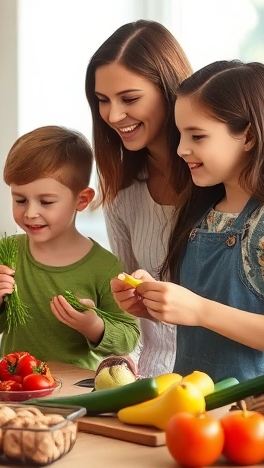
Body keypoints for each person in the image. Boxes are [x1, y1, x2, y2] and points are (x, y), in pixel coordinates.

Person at [112, 60, 264, 381]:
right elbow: (200, 319)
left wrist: (200, 311)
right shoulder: (201, 212)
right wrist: (152, 301)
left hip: (256, 417)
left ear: (248, 136)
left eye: (197, 136)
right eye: (181, 135)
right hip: (194, 409)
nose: (182, 149)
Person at [0, 126, 139, 371]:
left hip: (78, 393)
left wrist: (94, 326)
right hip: (17, 387)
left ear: (81, 200)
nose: (30, 212)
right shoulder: (6, 252)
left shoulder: (105, 267)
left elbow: (130, 336)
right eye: (20, 200)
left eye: (46, 202)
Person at [86, 20, 193, 378]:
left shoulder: (219, 182)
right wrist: (121, 361)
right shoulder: (123, 194)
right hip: (151, 382)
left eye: (129, 99)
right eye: (103, 101)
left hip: (220, 385)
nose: (113, 116)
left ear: (169, 91)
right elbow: (130, 313)